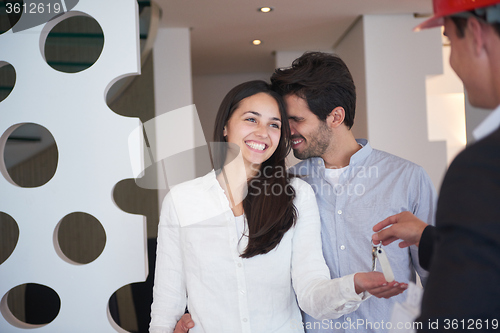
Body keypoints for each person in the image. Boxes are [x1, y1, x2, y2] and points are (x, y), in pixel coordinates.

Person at [150, 80, 406, 333]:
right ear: (226, 126)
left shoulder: (296, 195)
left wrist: (355, 284)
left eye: (274, 124)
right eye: (251, 119)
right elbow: (166, 305)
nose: (263, 132)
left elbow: (310, 291)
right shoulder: (182, 200)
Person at [269, 52, 436, 333]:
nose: (288, 131)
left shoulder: (407, 178)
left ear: (336, 116)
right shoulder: (287, 185)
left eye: (296, 120)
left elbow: (439, 277)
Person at [373, 0, 500, 329]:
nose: (452, 61)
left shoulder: (481, 168)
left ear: (475, 33)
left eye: (448, 40)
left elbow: (459, 315)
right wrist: (429, 237)